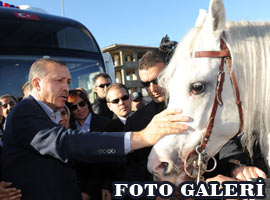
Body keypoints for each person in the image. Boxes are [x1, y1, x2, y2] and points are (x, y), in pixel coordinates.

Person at [2, 58, 189, 200]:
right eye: (59, 80)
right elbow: (68, 143)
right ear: (36, 84)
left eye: (68, 81)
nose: (66, 88)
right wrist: (142, 137)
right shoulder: (24, 113)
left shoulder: (48, 112)